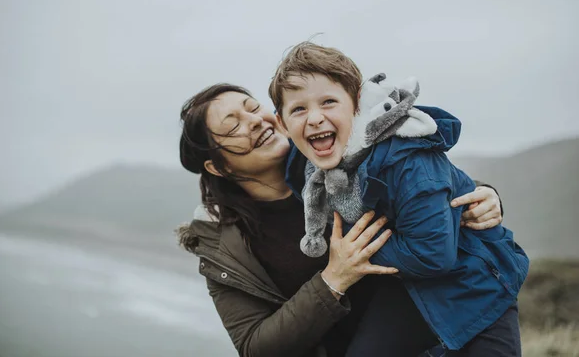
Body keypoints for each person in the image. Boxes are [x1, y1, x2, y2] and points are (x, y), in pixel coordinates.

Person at [177, 83, 505, 357]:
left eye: (252, 107)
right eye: (232, 125)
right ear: (218, 168)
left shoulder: (333, 150)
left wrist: (481, 197)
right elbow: (254, 346)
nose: (253, 121)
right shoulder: (224, 242)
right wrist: (334, 279)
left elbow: (420, 186)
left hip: (441, 330)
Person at [268, 41, 529, 356]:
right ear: (282, 123)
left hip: (473, 283)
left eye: (328, 102)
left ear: (357, 105)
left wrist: (354, 249)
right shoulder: (305, 164)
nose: (314, 118)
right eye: (299, 109)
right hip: (408, 287)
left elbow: (433, 255)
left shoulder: (407, 160)